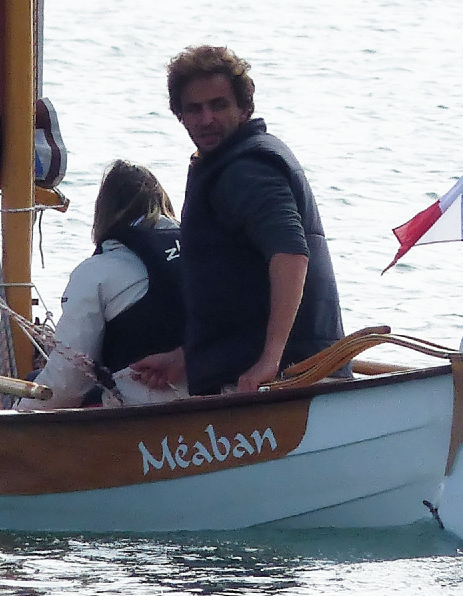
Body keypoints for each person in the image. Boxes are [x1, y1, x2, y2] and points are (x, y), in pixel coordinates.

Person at [132, 44, 346, 396]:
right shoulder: (233, 164)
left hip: (281, 381)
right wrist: (189, 356)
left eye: (219, 105)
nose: (206, 119)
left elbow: (291, 254)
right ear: (179, 115)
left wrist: (270, 360)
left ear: (244, 108)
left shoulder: (247, 170)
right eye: (194, 109)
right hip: (268, 371)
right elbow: (239, 289)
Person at [17, 160, 187, 410]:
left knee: (33, 383)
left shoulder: (97, 272)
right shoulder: (204, 252)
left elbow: (69, 380)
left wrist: (16, 414)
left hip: (148, 413)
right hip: (223, 400)